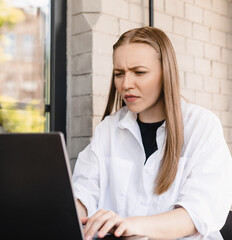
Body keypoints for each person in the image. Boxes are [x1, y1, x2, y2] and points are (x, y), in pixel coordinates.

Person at [72, 27, 232, 240]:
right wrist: (72, 212)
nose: (126, 84)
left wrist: (129, 224)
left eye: (139, 72)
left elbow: (197, 215)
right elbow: (84, 191)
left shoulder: (202, 126)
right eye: (119, 74)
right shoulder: (107, 130)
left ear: (166, 73)